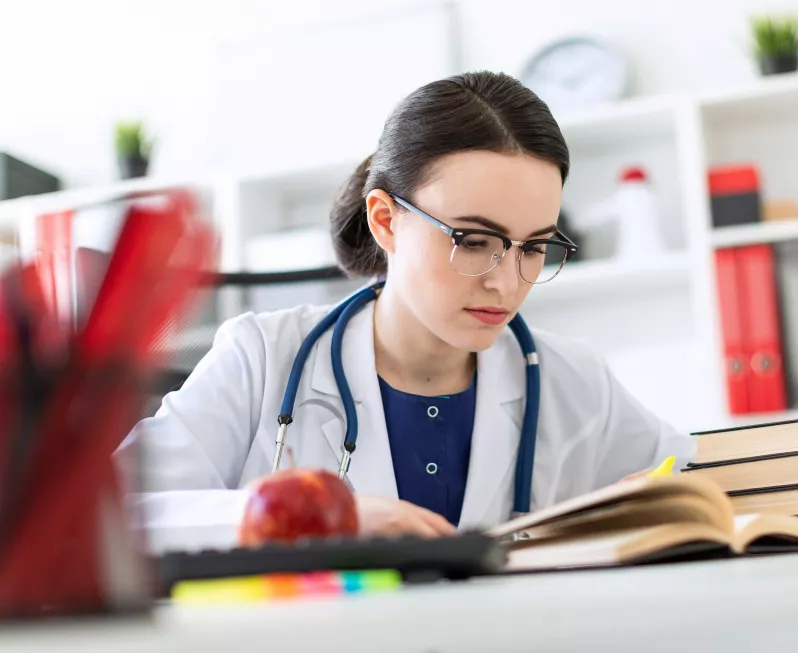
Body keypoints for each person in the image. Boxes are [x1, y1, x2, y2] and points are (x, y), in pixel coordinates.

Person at [118, 70, 695, 547]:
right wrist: (309, 516)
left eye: (535, 248)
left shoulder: (572, 379)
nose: (507, 283)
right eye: (473, 241)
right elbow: (110, 515)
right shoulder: (261, 358)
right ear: (386, 220)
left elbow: (691, 478)